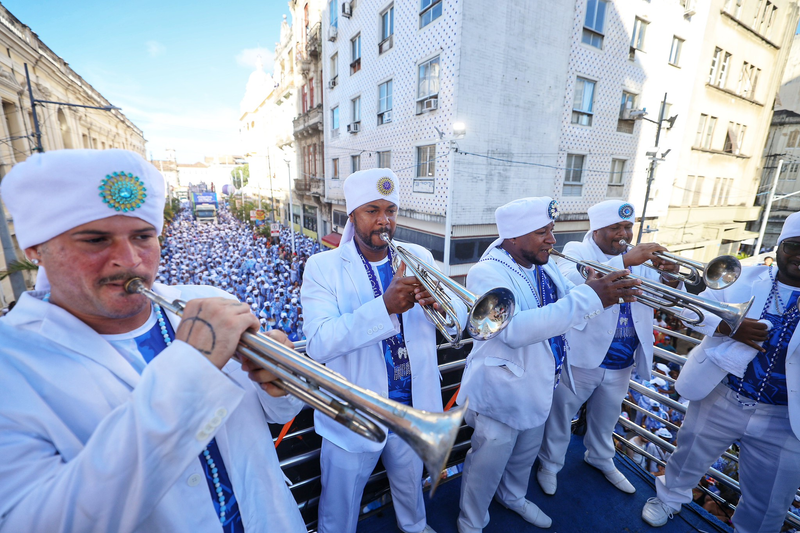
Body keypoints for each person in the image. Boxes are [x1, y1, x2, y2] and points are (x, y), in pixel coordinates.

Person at [0, 149, 307, 533]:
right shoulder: (9, 363)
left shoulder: (210, 300)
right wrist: (192, 369)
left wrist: (281, 382)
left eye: (143, 236)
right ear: (35, 250)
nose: (129, 260)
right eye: (96, 240)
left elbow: (275, 414)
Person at [455, 197, 642, 533]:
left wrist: (595, 288)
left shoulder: (544, 264)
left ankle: (513, 497)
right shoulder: (487, 271)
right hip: (502, 391)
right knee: (487, 463)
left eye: (551, 230)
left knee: (525, 455)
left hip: (542, 383)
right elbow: (513, 331)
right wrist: (590, 296)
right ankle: (471, 520)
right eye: (542, 232)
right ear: (514, 236)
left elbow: (570, 298)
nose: (552, 239)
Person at [301, 168, 466, 533]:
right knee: (340, 504)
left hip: (412, 406)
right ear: (352, 215)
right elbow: (318, 343)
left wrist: (441, 305)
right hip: (356, 412)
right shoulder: (323, 267)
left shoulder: (419, 254)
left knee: (410, 484)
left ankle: (415, 526)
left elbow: (459, 313)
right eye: (372, 210)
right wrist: (385, 307)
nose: (384, 220)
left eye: (390, 210)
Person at [642, 211, 800, 532]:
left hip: (785, 417)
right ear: (780, 245)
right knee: (687, 457)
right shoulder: (742, 276)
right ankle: (668, 499)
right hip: (722, 393)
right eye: (793, 246)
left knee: (770, 499)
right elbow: (690, 310)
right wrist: (730, 328)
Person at [536, 200, 680, 497]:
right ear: (597, 230)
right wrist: (625, 261)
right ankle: (550, 463)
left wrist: (671, 275)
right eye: (615, 227)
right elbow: (571, 282)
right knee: (561, 415)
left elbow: (668, 301)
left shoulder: (639, 259)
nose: (623, 234)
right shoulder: (577, 250)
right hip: (582, 356)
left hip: (623, 359)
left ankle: (600, 457)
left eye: (627, 227)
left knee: (607, 418)